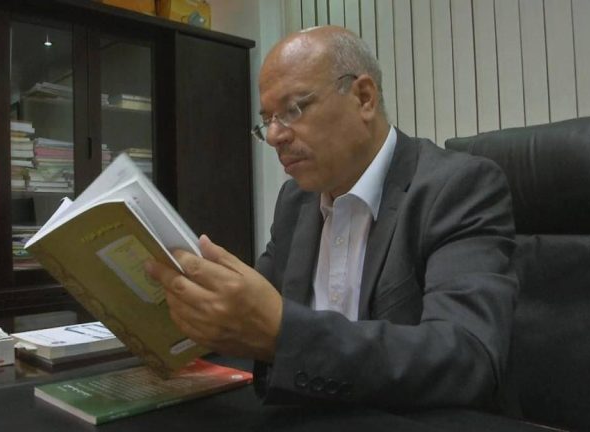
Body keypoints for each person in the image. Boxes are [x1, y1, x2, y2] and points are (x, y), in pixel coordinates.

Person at [145, 25, 518, 410]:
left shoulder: (459, 187)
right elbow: (251, 316)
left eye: (293, 110)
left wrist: (282, 332)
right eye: (267, 120)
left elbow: (467, 358)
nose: (274, 136)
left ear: (363, 97)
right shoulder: (295, 201)